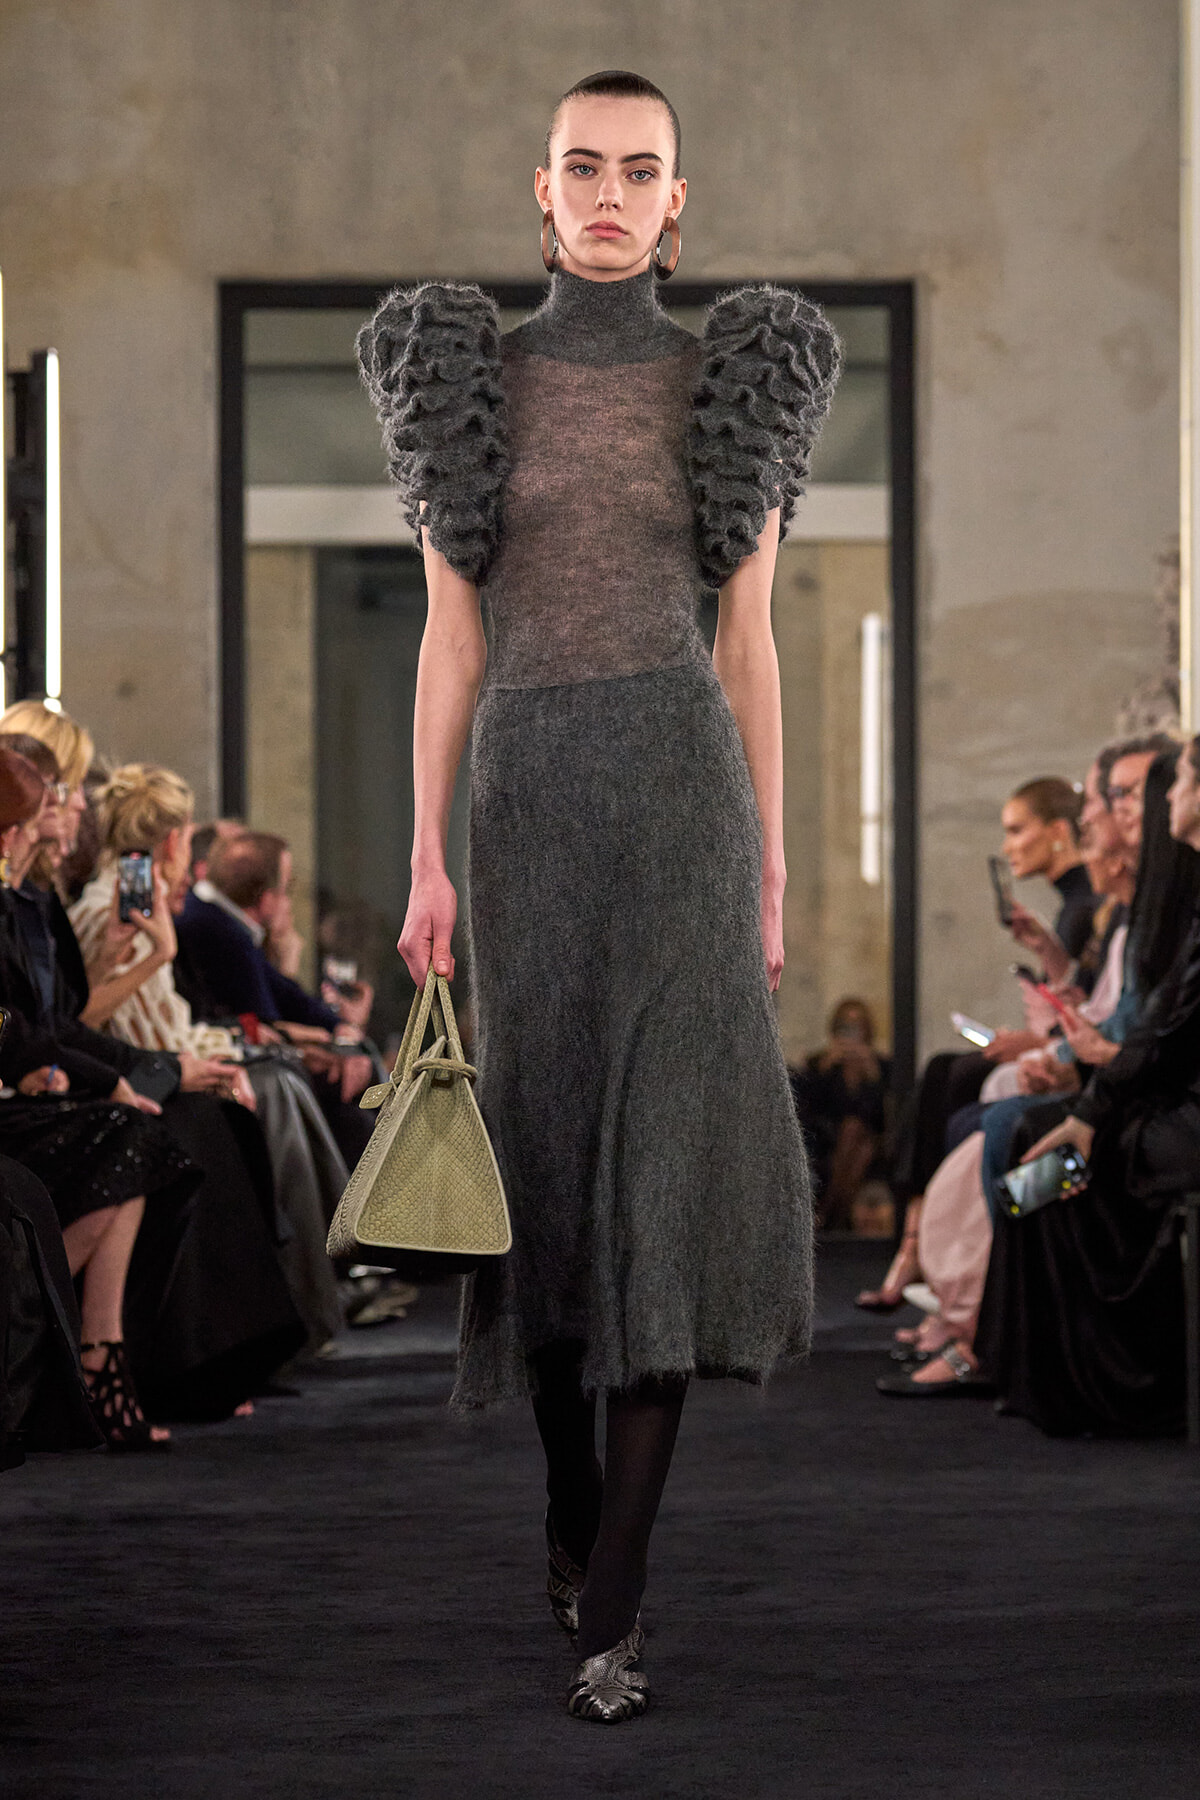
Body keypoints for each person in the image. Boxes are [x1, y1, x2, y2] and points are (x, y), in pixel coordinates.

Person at [357, 68, 839, 1720]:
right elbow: (449, 641)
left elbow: (753, 647)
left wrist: (769, 856)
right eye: (586, 167)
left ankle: (617, 1599)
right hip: (524, 802)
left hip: (684, 800)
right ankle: (571, 1512)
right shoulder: (464, 382)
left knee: (662, 1177)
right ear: (541, 192)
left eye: (644, 169)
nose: (614, 192)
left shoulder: (734, 386)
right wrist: (422, 851)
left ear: (679, 199)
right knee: (550, 1178)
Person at [71, 765, 346, 1348]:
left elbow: (166, 1022)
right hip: (135, 1075)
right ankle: (304, 1307)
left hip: (159, 1063)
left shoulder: (134, 905)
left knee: (277, 1079)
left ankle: (325, 1284)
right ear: (172, 841)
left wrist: (224, 1051)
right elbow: (95, 1022)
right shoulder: (109, 912)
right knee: (269, 1087)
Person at [975, 741, 1200, 1435]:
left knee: (1060, 1159)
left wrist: (1096, 1106)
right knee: (1040, 1154)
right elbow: (1165, 1027)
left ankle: (1109, 1382)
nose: (1166, 797)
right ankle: (1029, 1362)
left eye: (1179, 779)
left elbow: (1169, 1031)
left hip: (1180, 1118)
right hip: (1160, 1100)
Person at [858, 770, 1096, 1312]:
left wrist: (1047, 1051)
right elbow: (1095, 1009)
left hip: (1106, 1099)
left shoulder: (1097, 908)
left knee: (992, 1118)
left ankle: (977, 1304)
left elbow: (1110, 1026)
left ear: (1063, 832)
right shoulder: (1088, 910)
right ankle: (953, 1285)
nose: (1007, 845)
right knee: (959, 1086)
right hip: (1089, 1080)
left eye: (1016, 830)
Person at [790, 998, 891, 1229]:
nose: (851, 1034)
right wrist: (826, 1070)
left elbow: (883, 1117)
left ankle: (829, 1213)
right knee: (851, 1133)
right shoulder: (820, 1064)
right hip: (828, 1143)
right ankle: (837, 1211)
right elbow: (806, 1111)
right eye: (845, 1026)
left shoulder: (881, 1066)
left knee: (855, 1133)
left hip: (869, 1145)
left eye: (858, 1027)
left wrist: (872, 1075)